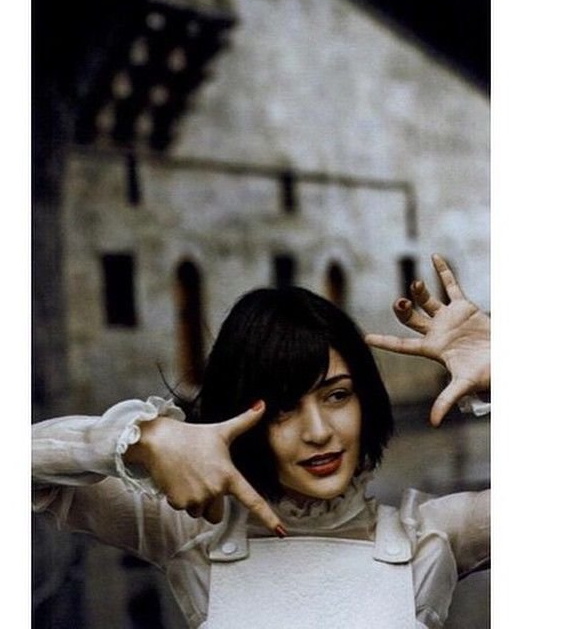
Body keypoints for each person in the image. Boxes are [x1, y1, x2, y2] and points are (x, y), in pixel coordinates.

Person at [32, 254, 490, 628]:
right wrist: (142, 439)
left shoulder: (434, 535)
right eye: (281, 409)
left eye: (336, 395)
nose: (318, 432)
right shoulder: (193, 532)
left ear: (365, 399)